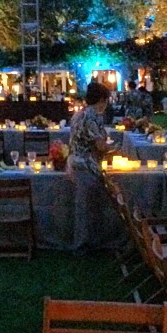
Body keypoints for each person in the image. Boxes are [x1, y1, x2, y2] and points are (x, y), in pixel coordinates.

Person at [68, 81, 111, 255]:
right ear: (101, 100)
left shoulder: (78, 115)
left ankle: (85, 244)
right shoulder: (93, 117)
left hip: (75, 162)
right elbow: (100, 145)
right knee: (87, 209)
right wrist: (113, 148)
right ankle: (83, 246)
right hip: (86, 166)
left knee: (83, 207)